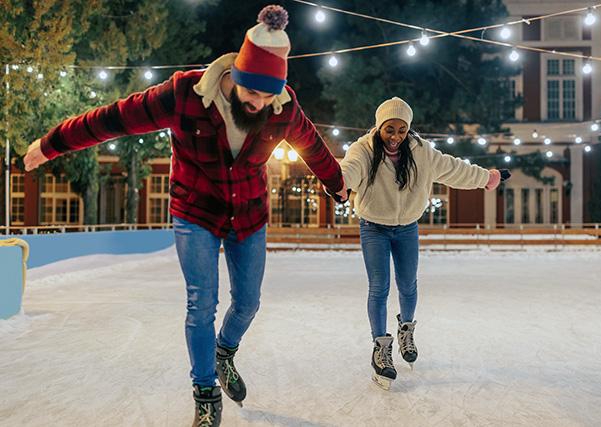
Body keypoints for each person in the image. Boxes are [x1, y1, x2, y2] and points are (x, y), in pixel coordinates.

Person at [24, 5, 347, 426]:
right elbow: (114, 119)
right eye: (253, 93)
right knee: (201, 305)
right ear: (237, 77)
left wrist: (335, 183)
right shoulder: (183, 96)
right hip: (194, 212)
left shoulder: (283, 108)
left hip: (248, 214)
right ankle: (206, 392)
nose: (259, 103)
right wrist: (52, 144)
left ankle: (224, 352)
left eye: (268, 96)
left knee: (248, 303)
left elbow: (313, 147)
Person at [338, 97, 507, 390]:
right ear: (379, 127)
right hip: (373, 227)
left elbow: (455, 169)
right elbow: (350, 169)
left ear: (408, 129)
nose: (395, 136)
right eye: (389, 129)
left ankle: (406, 330)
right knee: (379, 287)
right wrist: (339, 181)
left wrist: (486, 178)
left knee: (408, 284)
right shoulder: (363, 150)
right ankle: (380, 348)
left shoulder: (421, 152)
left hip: (407, 228)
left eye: (401, 130)